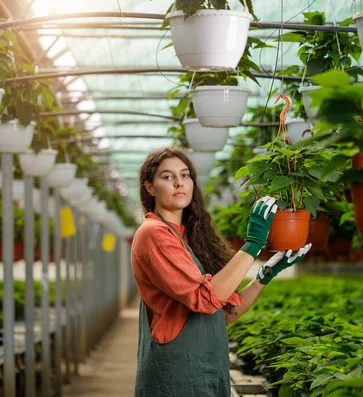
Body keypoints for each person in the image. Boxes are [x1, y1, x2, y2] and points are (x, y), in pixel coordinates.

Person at [131, 147, 311, 397]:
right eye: (167, 177)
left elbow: (223, 313)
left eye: (185, 175)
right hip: (179, 374)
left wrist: (264, 276)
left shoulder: (187, 237)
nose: (179, 183)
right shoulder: (154, 234)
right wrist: (254, 244)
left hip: (205, 367)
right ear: (149, 187)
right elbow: (205, 299)